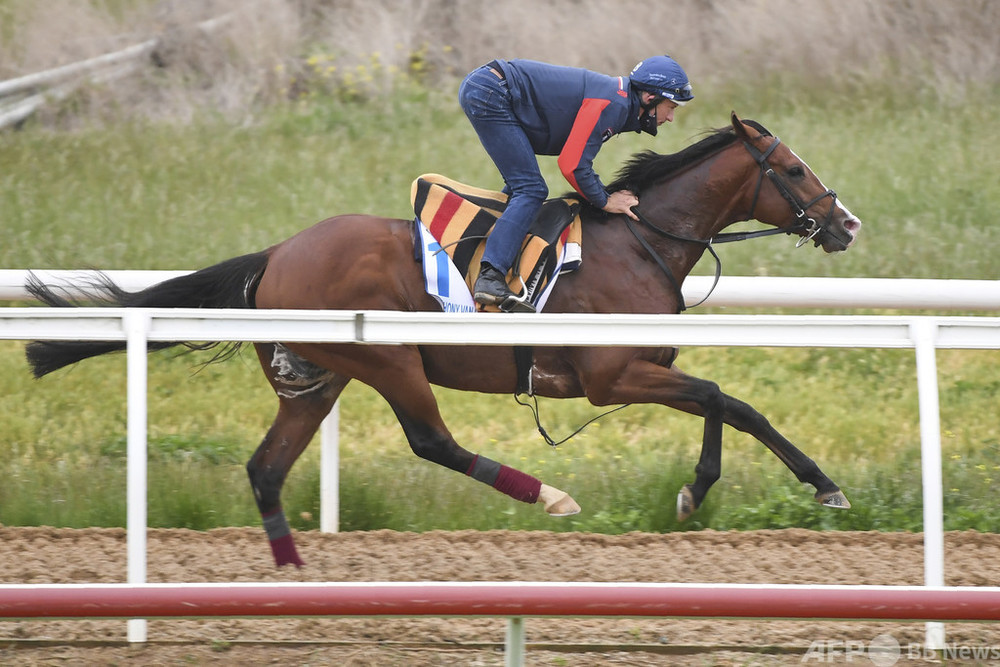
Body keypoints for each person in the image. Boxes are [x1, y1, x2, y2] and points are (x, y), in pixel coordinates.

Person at [458, 55, 693, 312]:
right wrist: (604, 200)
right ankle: (490, 276)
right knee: (531, 189)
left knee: (521, 187)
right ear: (651, 98)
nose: (670, 117)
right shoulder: (613, 103)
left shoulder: (619, 102)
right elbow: (572, 164)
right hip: (491, 90)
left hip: (491, 86)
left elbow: (574, 159)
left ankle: (482, 254)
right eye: (671, 107)